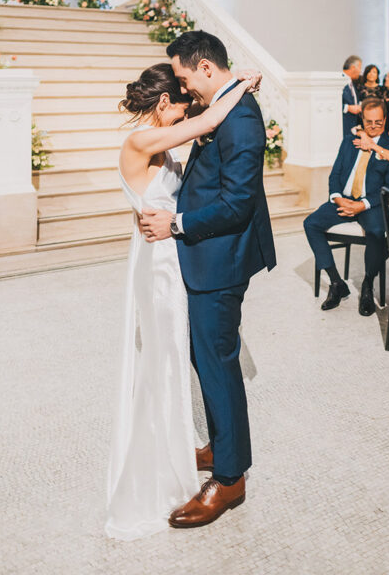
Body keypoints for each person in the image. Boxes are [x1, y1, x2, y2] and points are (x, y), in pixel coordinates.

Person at [106, 61, 260, 539]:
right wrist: (241, 85)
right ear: (163, 104)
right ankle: (184, 448)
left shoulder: (168, 130)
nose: (190, 101)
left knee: (192, 353)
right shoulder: (140, 141)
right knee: (170, 354)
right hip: (159, 262)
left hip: (181, 253)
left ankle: (215, 447)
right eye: (182, 98)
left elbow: (204, 114)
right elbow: (210, 119)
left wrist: (231, 87)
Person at [138, 31, 276, 528]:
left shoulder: (238, 119)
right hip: (205, 256)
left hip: (221, 260)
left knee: (217, 364)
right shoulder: (223, 102)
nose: (183, 88)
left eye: (184, 77)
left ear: (206, 69)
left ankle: (231, 478)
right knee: (206, 357)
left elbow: (238, 204)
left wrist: (176, 224)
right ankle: (221, 445)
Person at [303, 98, 389, 317]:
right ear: (362, 119)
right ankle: (337, 283)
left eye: (378, 122)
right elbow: (335, 174)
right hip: (344, 200)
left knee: (377, 232)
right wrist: (338, 198)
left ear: (385, 119)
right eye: (369, 122)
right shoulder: (349, 141)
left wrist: (362, 205)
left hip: (370, 204)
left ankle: (368, 284)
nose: (373, 126)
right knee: (311, 224)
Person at [342, 54, 362, 137]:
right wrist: (348, 108)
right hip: (342, 127)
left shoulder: (352, 83)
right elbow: (332, 103)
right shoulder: (338, 81)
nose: (361, 71)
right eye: (360, 67)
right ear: (353, 67)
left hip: (351, 127)